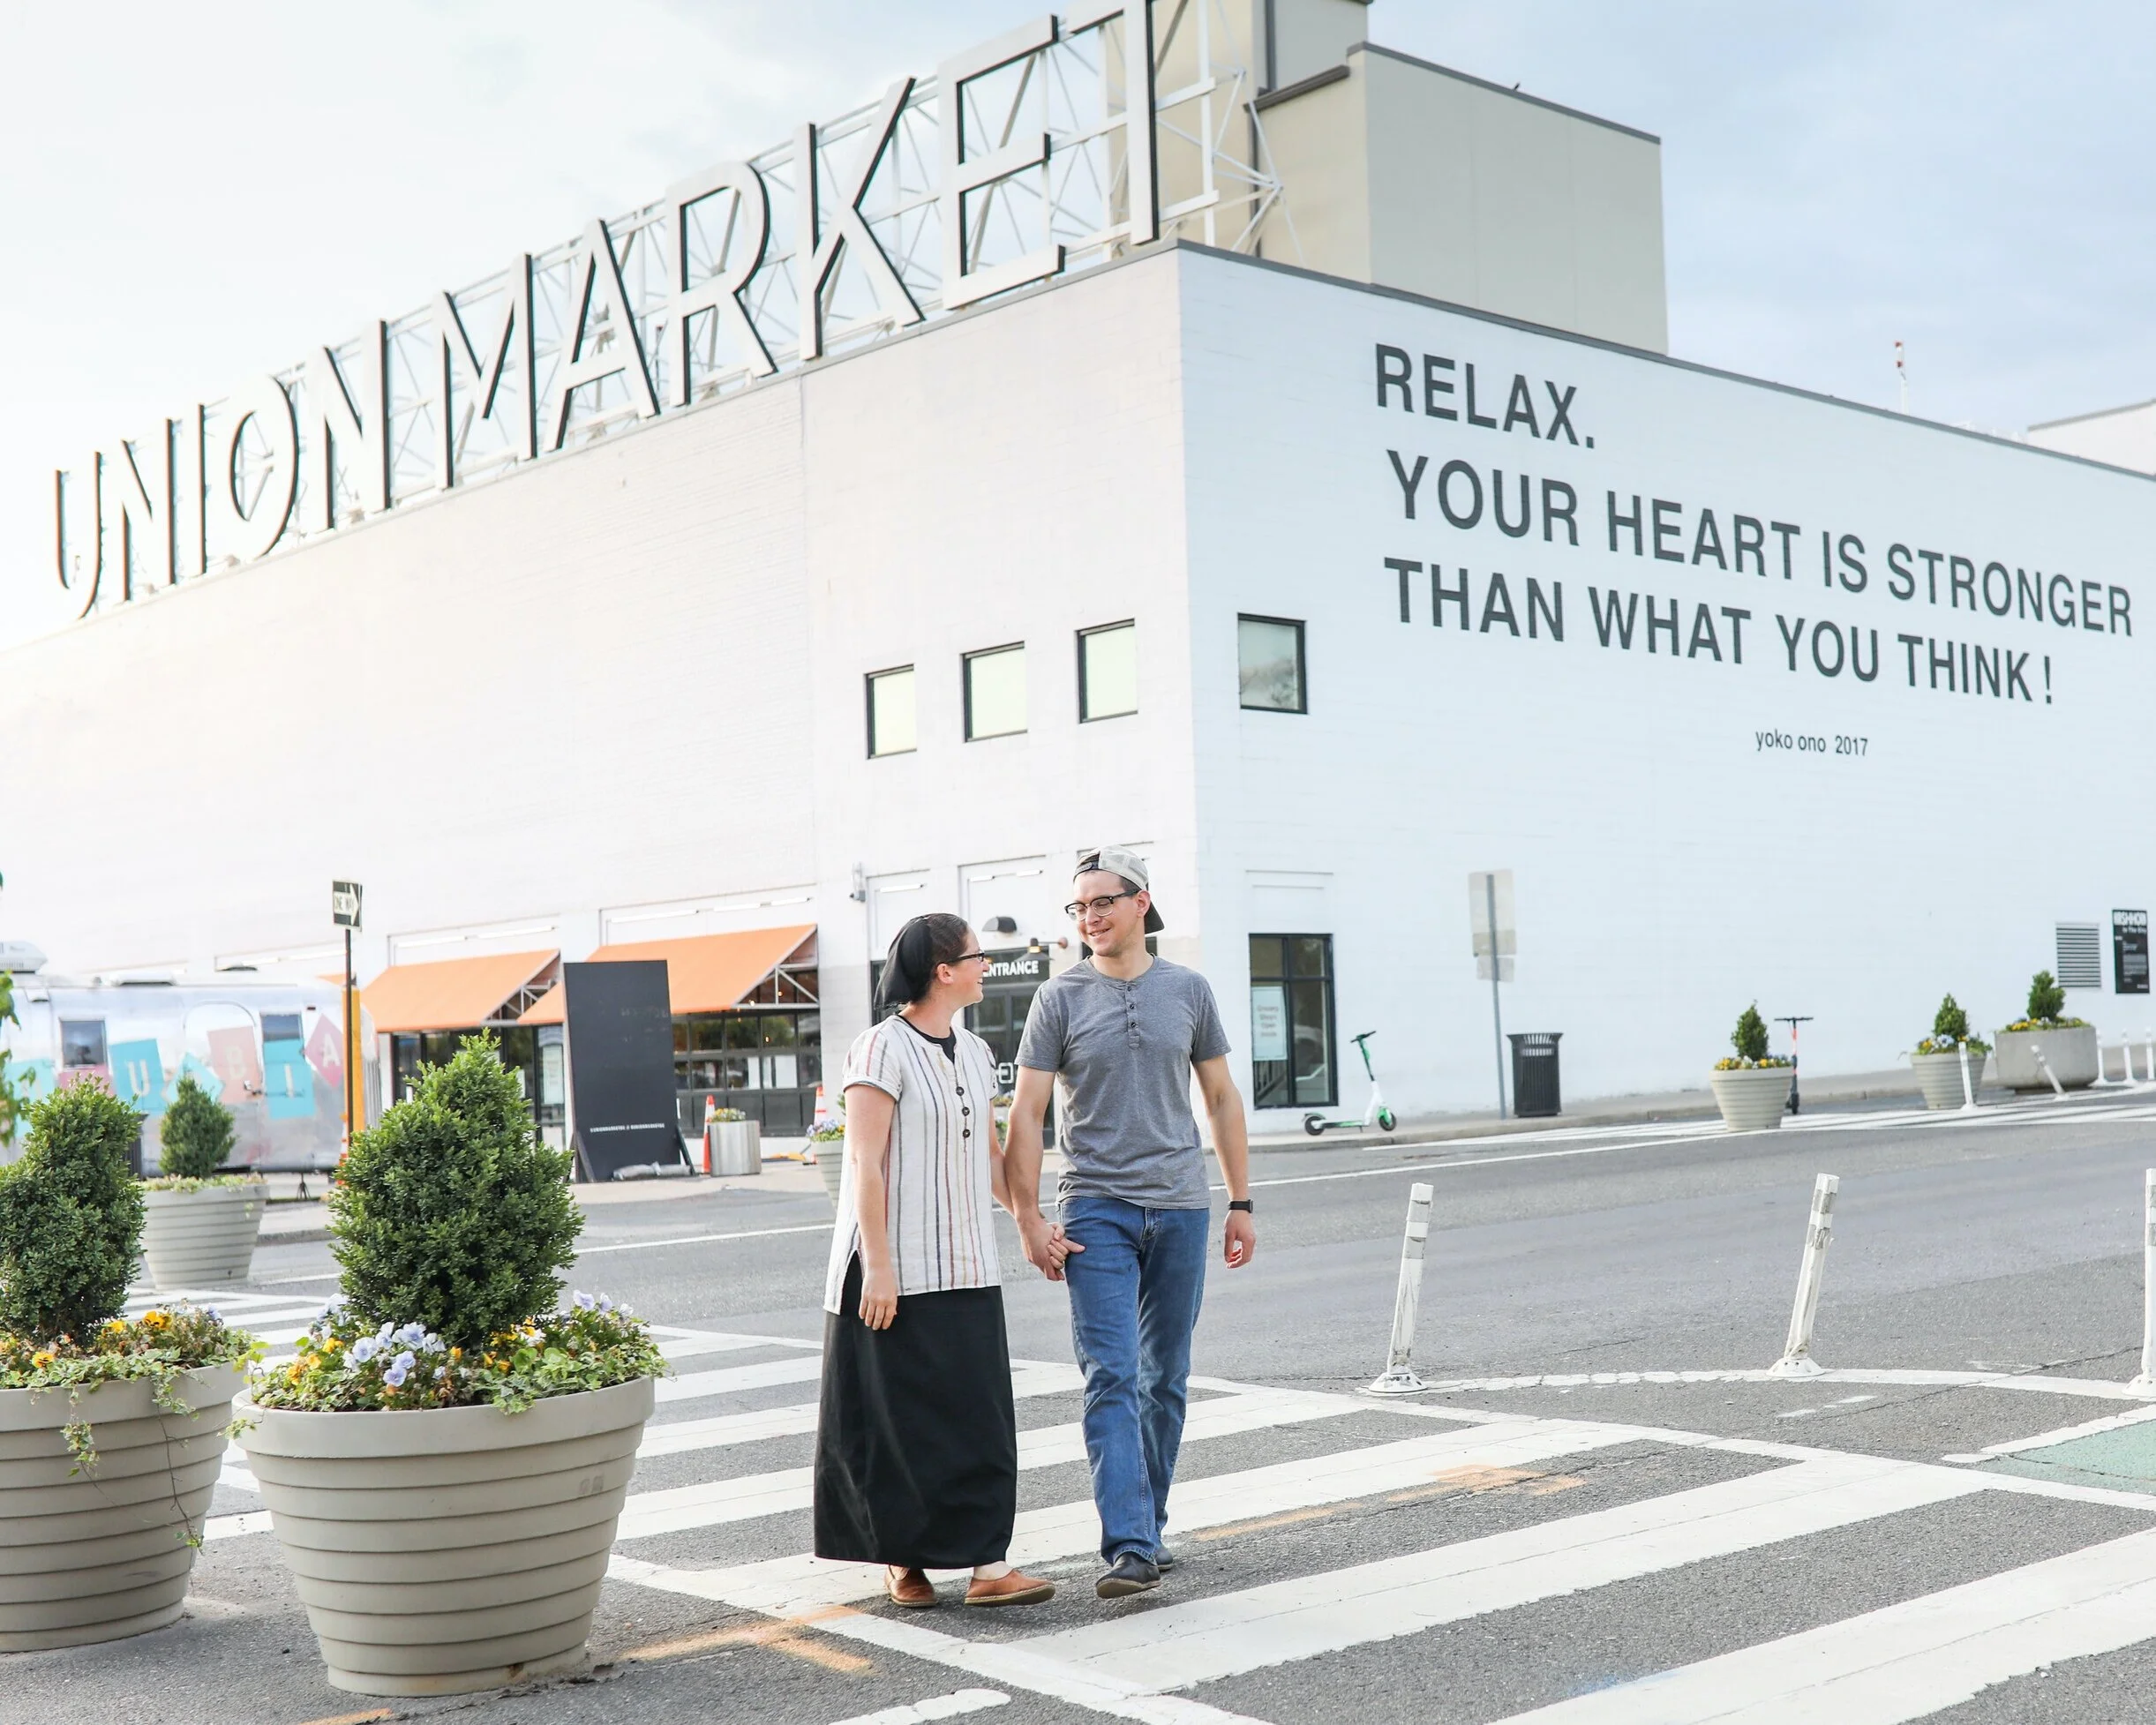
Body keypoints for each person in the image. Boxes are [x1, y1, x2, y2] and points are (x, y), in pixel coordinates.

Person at [1003, 848, 1256, 1599]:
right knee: (1111, 1373)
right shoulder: (1058, 997)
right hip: (1095, 1207)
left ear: (1139, 902)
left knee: (1165, 1378)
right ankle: (1130, 1546)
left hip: (1180, 1202)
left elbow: (1218, 1096)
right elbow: (1027, 1110)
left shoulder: (1188, 989)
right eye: (1077, 908)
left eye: (1100, 903)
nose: (1088, 918)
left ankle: (1147, 1523)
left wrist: (1240, 1198)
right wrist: (1026, 1215)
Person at [813, 912, 1055, 1609]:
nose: (986, 965)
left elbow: (987, 1156)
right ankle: (902, 1561)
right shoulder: (879, 1048)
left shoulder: (976, 1053)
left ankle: (987, 1564)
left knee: (979, 1416)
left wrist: (1027, 1223)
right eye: (977, 957)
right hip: (890, 1264)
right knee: (897, 1422)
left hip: (966, 1261)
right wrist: (880, 1267)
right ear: (943, 970)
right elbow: (863, 1162)